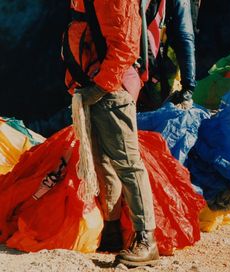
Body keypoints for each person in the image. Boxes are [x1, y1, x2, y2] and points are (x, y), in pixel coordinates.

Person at [62, 0, 159, 267]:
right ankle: (113, 231)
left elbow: (125, 44)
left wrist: (100, 87)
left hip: (111, 89)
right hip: (96, 85)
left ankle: (146, 239)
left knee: (127, 163)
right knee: (103, 162)